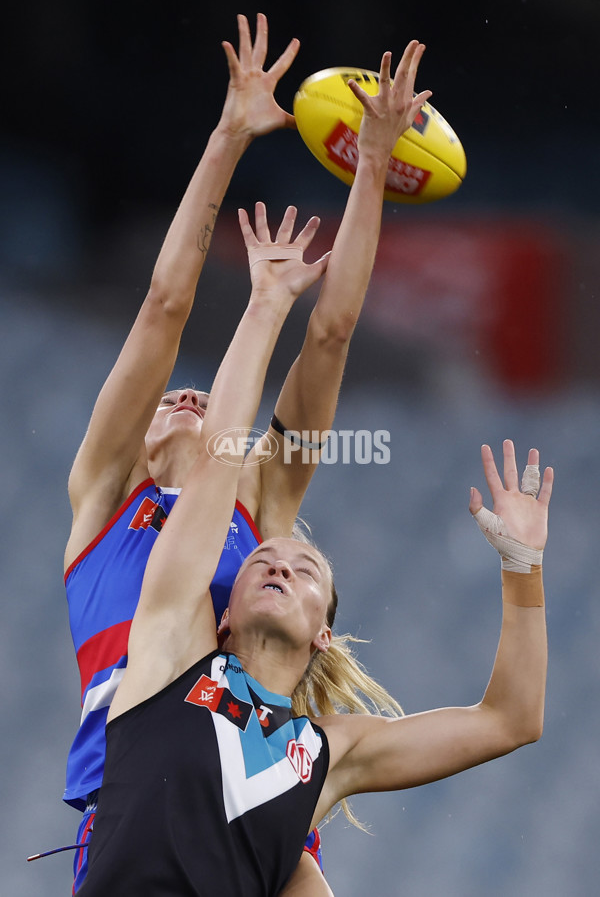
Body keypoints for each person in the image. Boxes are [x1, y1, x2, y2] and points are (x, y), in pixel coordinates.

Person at [75, 181, 554, 895]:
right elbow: (208, 424)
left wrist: (523, 568)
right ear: (222, 616)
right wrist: (264, 303)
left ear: (324, 635)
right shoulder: (171, 643)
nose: (278, 557)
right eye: (267, 557)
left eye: (306, 571)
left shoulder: (323, 751)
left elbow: (511, 720)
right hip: (107, 798)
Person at [59, 17, 432, 896]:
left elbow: (332, 335)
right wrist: (228, 135)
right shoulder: (105, 498)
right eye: (163, 404)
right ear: (134, 444)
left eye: (199, 392)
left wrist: (371, 163)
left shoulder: (260, 505)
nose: (183, 395)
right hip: (133, 817)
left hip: (250, 807)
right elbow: (162, 306)